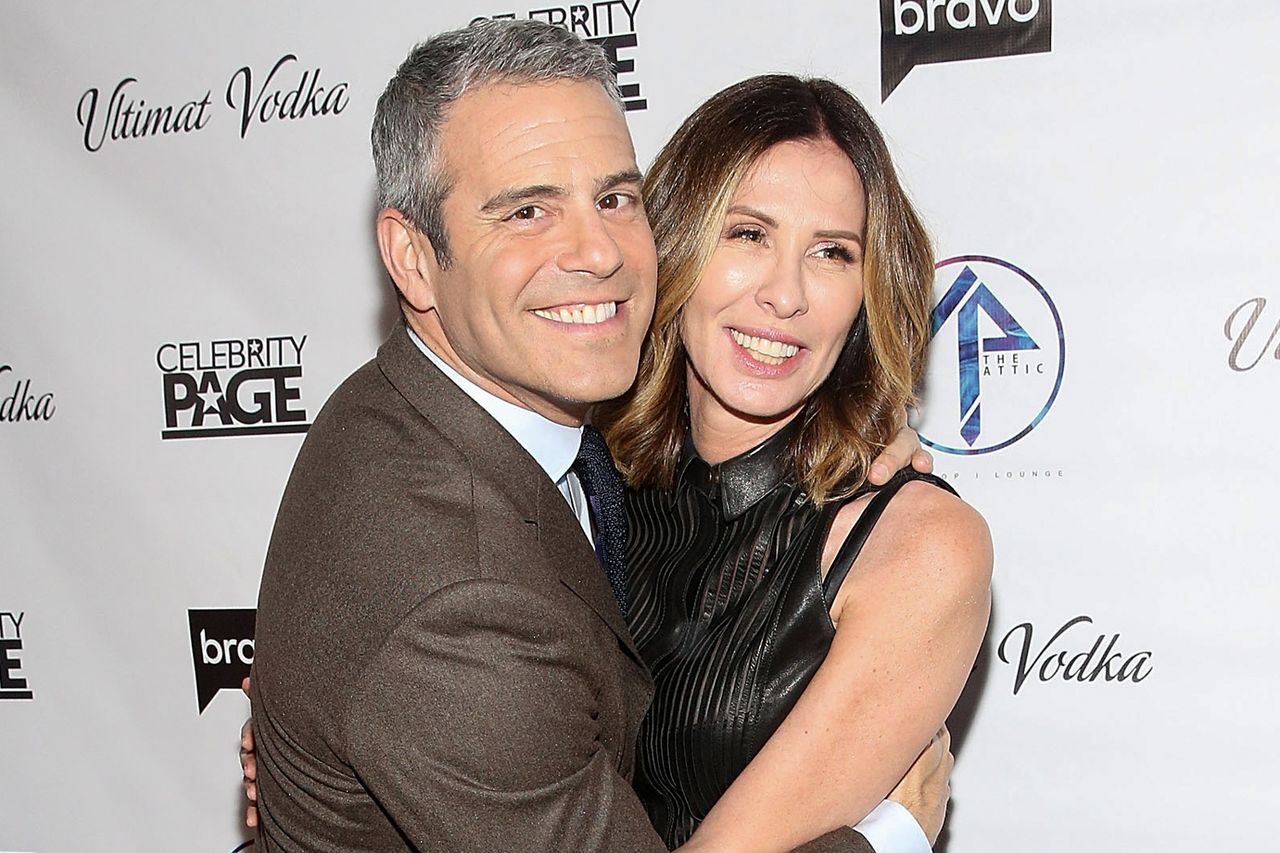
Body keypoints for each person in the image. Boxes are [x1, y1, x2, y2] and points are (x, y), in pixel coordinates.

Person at [246, 19, 947, 853]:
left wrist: (864, 435)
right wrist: (893, 834)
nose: (596, 251)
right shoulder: (456, 596)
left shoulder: (501, 425)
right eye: (527, 210)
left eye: (614, 199)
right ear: (412, 256)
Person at [603, 75, 992, 850]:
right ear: (675, 243)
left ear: (868, 290)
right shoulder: (586, 489)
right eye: (748, 234)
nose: (786, 294)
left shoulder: (913, 544)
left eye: (831, 252)